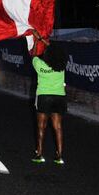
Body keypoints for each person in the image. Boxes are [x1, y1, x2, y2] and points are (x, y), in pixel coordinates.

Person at [31, 31, 67, 165]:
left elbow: (33, 55)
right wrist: (45, 40)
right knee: (57, 127)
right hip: (59, 97)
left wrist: (36, 41)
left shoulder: (40, 65)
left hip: (44, 97)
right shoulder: (61, 66)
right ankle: (59, 156)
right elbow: (56, 51)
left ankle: (39, 154)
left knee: (41, 127)